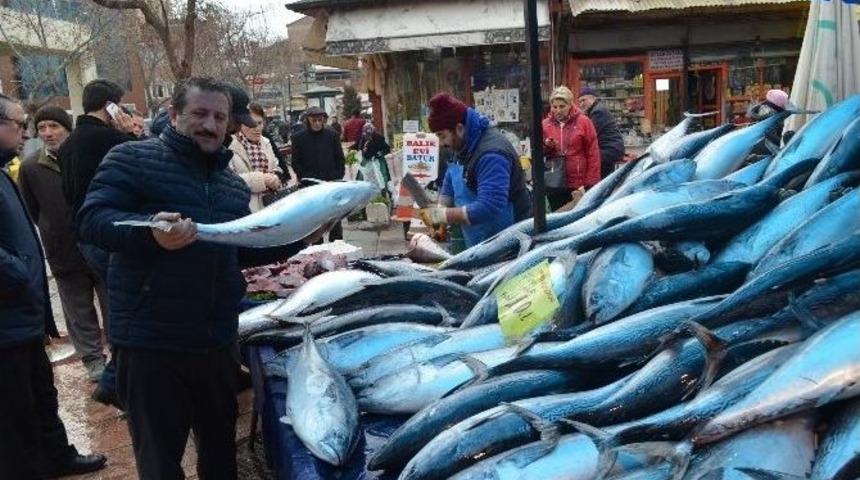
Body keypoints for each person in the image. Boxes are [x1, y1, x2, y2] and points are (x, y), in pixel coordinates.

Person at [76, 77, 315, 480]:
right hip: (151, 344)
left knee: (220, 456)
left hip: (215, 343)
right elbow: (91, 221)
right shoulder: (130, 158)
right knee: (160, 461)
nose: (211, 124)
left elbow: (240, 249)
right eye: (200, 114)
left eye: (220, 117)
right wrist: (150, 234)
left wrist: (302, 236)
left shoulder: (230, 186)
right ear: (174, 113)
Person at [0, 93, 107, 479]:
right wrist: (25, 269)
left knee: (42, 396)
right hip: (7, 320)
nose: (28, 132)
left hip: (23, 317)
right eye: (20, 124)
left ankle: (58, 456)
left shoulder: (4, 170)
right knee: (15, 414)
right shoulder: (25, 168)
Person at [58, 78, 137, 407]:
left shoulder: (69, 143)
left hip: (85, 237)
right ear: (110, 105)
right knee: (128, 307)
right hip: (111, 234)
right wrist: (132, 135)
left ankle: (117, 378)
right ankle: (116, 380)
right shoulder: (111, 140)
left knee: (121, 306)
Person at [17, 106, 109, 382]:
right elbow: (33, 210)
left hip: (99, 245)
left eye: (54, 126)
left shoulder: (88, 158)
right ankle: (93, 360)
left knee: (113, 304)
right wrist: (52, 229)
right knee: (78, 311)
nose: (47, 133)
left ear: (68, 129)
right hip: (63, 252)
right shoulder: (30, 167)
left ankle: (122, 354)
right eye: (42, 127)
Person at [418, 92, 531, 247]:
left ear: (459, 128)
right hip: (479, 240)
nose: (441, 143)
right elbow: (451, 180)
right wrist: (441, 211)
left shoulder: (491, 153)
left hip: (510, 240)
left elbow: (490, 206)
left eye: (442, 136)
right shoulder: (461, 145)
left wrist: (442, 215)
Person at [291, 105, 346, 241]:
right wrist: (306, 179)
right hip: (311, 186)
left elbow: (339, 159)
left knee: (335, 221)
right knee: (315, 222)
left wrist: (336, 177)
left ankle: (337, 247)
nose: (316, 123)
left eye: (319, 120)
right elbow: (296, 162)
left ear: (323, 120)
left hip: (331, 184)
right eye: (313, 120)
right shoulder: (298, 138)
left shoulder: (332, 135)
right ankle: (317, 248)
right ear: (308, 120)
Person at [542, 86, 601, 211]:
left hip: (578, 182)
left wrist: (591, 183)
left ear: (570, 105)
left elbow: (593, 153)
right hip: (555, 181)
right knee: (557, 215)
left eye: (562, 106)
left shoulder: (584, 122)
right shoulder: (545, 125)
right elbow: (538, 152)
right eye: (554, 106)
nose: (558, 110)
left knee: (579, 215)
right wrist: (547, 146)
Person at [228, 102, 285, 212]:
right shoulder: (230, 145)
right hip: (245, 208)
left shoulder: (266, 142)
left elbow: (277, 166)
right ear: (240, 124)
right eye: (251, 124)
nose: (257, 128)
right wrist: (262, 179)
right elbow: (229, 180)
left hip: (270, 205)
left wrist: (276, 177)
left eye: (259, 123)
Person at [578, 86, 625, 178]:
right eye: (580, 101)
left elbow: (590, 134)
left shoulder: (598, 111)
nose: (581, 104)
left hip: (609, 151)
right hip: (610, 150)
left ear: (593, 98)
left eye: (584, 100)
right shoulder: (595, 110)